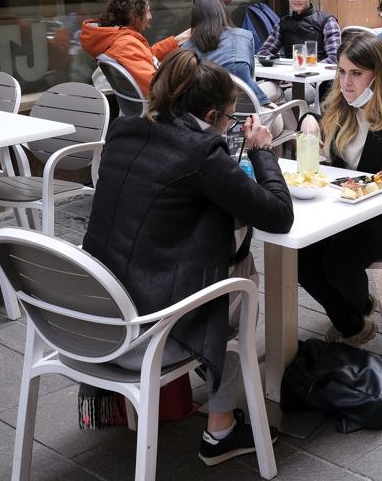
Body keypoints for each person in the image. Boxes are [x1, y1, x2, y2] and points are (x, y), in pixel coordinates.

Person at [82, 49, 293, 466]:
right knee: (242, 277)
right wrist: (261, 150)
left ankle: (211, 390)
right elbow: (279, 215)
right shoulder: (202, 153)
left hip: (88, 315)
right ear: (213, 113)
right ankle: (220, 428)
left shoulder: (124, 130)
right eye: (230, 117)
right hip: (144, 333)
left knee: (223, 255)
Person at [298, 33, 382, 346]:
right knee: (299, 254)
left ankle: (356, 309)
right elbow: (316, 123)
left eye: (357, 74)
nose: (346, 83)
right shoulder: (341, 105)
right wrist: (308, 118)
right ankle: (354, 321)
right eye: (342, 72)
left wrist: (363, 189)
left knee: (338, 261)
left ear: (379, 75)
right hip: (345, 211)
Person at [183, 0, 284, 136]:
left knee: (273, 92)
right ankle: (294, 145)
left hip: (206, 125)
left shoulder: (185, 49)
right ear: (222, 12)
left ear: (195, 17)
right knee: (277, 95)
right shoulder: (243, 37)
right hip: (250, 124)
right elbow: (250, 81)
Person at [80, 0, 190, 97]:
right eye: (147, 11)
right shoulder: (124, 44)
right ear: (134, 15)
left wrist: (178, 39)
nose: (150, 16)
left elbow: (142, 56)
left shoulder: (114, 37)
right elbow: (153, 85)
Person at [256, 0, 342, 63]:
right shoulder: (282, 24)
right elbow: (263, 53)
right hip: (288, 75)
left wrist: (310, 69)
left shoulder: (328, 22)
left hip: (320, 76)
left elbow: (335, 58)